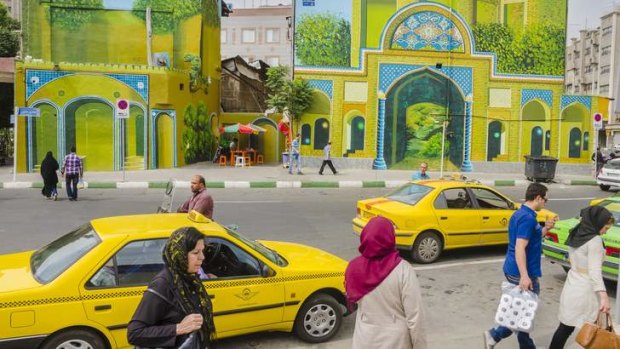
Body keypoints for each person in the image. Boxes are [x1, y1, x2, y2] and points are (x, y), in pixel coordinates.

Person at [484, 182, 555, 349]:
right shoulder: (528, 218)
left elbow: (530, 239)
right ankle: (494, 335)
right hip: (522, 271)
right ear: (538, 197)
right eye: (545, 199)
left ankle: (519, 344)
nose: (545, 203)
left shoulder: (521, 214)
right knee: (524, 310)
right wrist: (524, 275)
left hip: (516, 269)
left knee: (522, 309)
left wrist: (546, 229)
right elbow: (520, 247)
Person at [345, 216, 427, 349]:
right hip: (396, 341)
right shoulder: (403, 269)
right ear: (390, 238)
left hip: (365, 338)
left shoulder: (353, 267)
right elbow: (415, 317)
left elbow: (352, 301)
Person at [127, 227, 216, 348]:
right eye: (195, 253)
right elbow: (134, 333)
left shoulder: (190, 278)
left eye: (202, 251)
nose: (202, 257)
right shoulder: (162, 285)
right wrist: (178, 328)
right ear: (180, 254)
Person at [549, 206, 613, 349]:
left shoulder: (577, 232)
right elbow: (595, 271)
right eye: (605, 228)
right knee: (593, 330)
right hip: (586, 290)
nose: (605, 231)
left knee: (565, 327)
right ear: (597, 223)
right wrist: (604, 296)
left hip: (572, 285)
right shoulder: (595, 240)